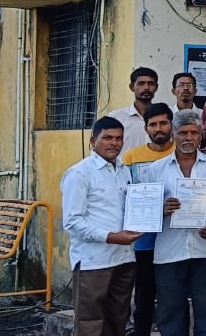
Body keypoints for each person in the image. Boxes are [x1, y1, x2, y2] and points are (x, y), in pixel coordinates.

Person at [61, 116, 143, 336]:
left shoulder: (124, 170)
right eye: (107, 138)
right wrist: (111, 237)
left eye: (118, 138)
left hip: (124, 258)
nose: (114, 143)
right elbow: (72, 222)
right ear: (93, 141)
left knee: (118, 320)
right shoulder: (80, 173)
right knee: (90, 323)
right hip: (93, 261)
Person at [151, 109, 206, 336]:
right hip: (169, 250)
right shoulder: (156, 169)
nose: (188, 138)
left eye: (194, 132)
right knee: (170, 312)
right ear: (173, 135)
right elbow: (143, 211)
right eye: (182, 133)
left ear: (200, 135)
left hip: (205, 249)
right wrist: (161, 210)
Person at [120, 103, 178, 336]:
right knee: (144, 296)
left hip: (175, 237)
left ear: (172, 125)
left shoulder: (182, 153)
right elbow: (127, 195)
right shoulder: (132, 157)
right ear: (146, 129)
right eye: (153, 124)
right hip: (145, 240)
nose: (158, 128)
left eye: (163, 123)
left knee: (172, 297)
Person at [108, 67, 159, 152]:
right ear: (132, 87)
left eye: (151, 84)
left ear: (156, 87)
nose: (146, 87)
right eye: (141, 83)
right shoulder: (115, 117)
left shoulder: (165, 118)